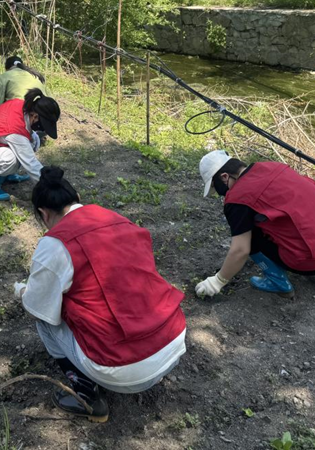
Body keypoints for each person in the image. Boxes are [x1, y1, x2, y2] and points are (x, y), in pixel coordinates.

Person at [14, 167, 187, 422]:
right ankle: (145, 366)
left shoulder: (55, 243)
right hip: (173, 342)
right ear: (77, 198)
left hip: (123, 368)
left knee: (45, 320)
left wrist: (23, 292)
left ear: (43, 213)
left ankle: (87, 397)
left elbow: (37, 307)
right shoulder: (116, 218)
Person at [195, 150, 315, 299]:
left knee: (249, 234)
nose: (220, 194)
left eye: (216, 187)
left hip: (311, 262)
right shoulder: (274, 167)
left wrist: (218, 281)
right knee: (307, 208)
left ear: (224, 177)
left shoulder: (238, 198)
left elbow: (240, 250)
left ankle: (278, 282)